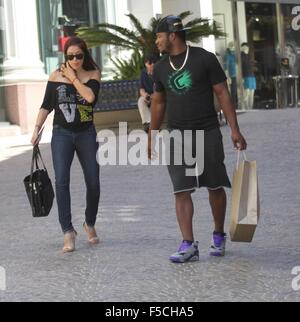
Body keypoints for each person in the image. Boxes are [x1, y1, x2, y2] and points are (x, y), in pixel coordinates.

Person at [148, 16, 247, 263]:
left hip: (207, 132)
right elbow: (158, 101)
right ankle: (188, 244)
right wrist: (152, 133)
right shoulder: (160, 67)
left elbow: (223, 93)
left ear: (172, 35)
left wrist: (235, 130)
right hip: (177, 135)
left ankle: (218, 234)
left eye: (159, 36)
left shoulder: (204, 59)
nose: (156, 41)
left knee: (215, 186)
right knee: (181, 190)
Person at [31, 37, 101, 253]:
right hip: (62, 133)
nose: (74, 60)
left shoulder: (93, 74)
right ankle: (68, 231)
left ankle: (89, 223)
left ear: (84, 55)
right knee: (61, 181)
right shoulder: (55, 77)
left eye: (78, 56)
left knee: (93, 181)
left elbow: (89, 98)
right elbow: (46, 106)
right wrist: (36, 129)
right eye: (70, 56)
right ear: (65, 57)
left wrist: (73, 77)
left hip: (86, 133)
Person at [138, 55, 157, 133]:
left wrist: (155, 95)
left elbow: (161, 88)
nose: (149, 65)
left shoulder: (158, 72)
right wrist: (145, 95)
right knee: (141, 101)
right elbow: (141, 88)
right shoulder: (143, 73)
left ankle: (153, 126)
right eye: (147, 63)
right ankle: (149, 123)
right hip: (148, 96)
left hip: (158, 95)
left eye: (150, 63)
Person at [241, 42, 256, 110]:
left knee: (252, 93)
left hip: (252, 76)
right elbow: (240, 68)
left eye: (247, 47)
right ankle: (246, 108)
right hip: (246, 76)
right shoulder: (241, 56)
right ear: (242, 48)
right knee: (246, 93)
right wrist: (242, 77)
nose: (246, 48)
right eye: (245, 47)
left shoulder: (249, 56)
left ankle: (251, 108)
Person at [224, 41, 238, 108]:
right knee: (232, 91)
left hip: (235, 75)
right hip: (231, 76)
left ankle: (235, 105)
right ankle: (232, 106)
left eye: (233, 46)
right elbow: (226, 67)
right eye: (232, 46)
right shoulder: (227, 55)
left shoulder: (234, 55)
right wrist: (227, 77)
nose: (233, 47)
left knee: (235, 91)